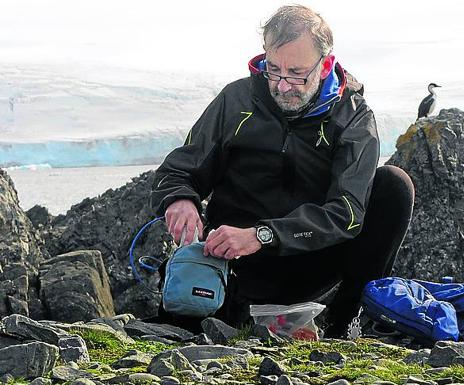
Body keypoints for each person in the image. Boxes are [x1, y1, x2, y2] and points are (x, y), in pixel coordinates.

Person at [150, 5, 414, 337]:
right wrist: (180, 200)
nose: (282, 85)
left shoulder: (353, 118)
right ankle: (229, 313)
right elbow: (177, 170)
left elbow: (347, 213)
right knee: (191, 320)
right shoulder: (236, 100)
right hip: (232, 263)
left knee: (394, 186)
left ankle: (343, 324)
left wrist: (264, 235)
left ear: (326, 64)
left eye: (296, 73)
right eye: (273, 69)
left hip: (310, 261)